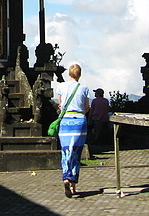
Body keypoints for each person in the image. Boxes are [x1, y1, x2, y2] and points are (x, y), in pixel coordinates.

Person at [55, 63, 90, 197]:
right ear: (79, 74)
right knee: (76, 152)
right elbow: (86, 107)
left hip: (65, 121)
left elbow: (60, 104)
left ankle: (65, 177)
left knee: (66, 151)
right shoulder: (84, 88)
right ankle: (73, 184)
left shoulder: (61, 86)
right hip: (79, 121)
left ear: (69, 74)